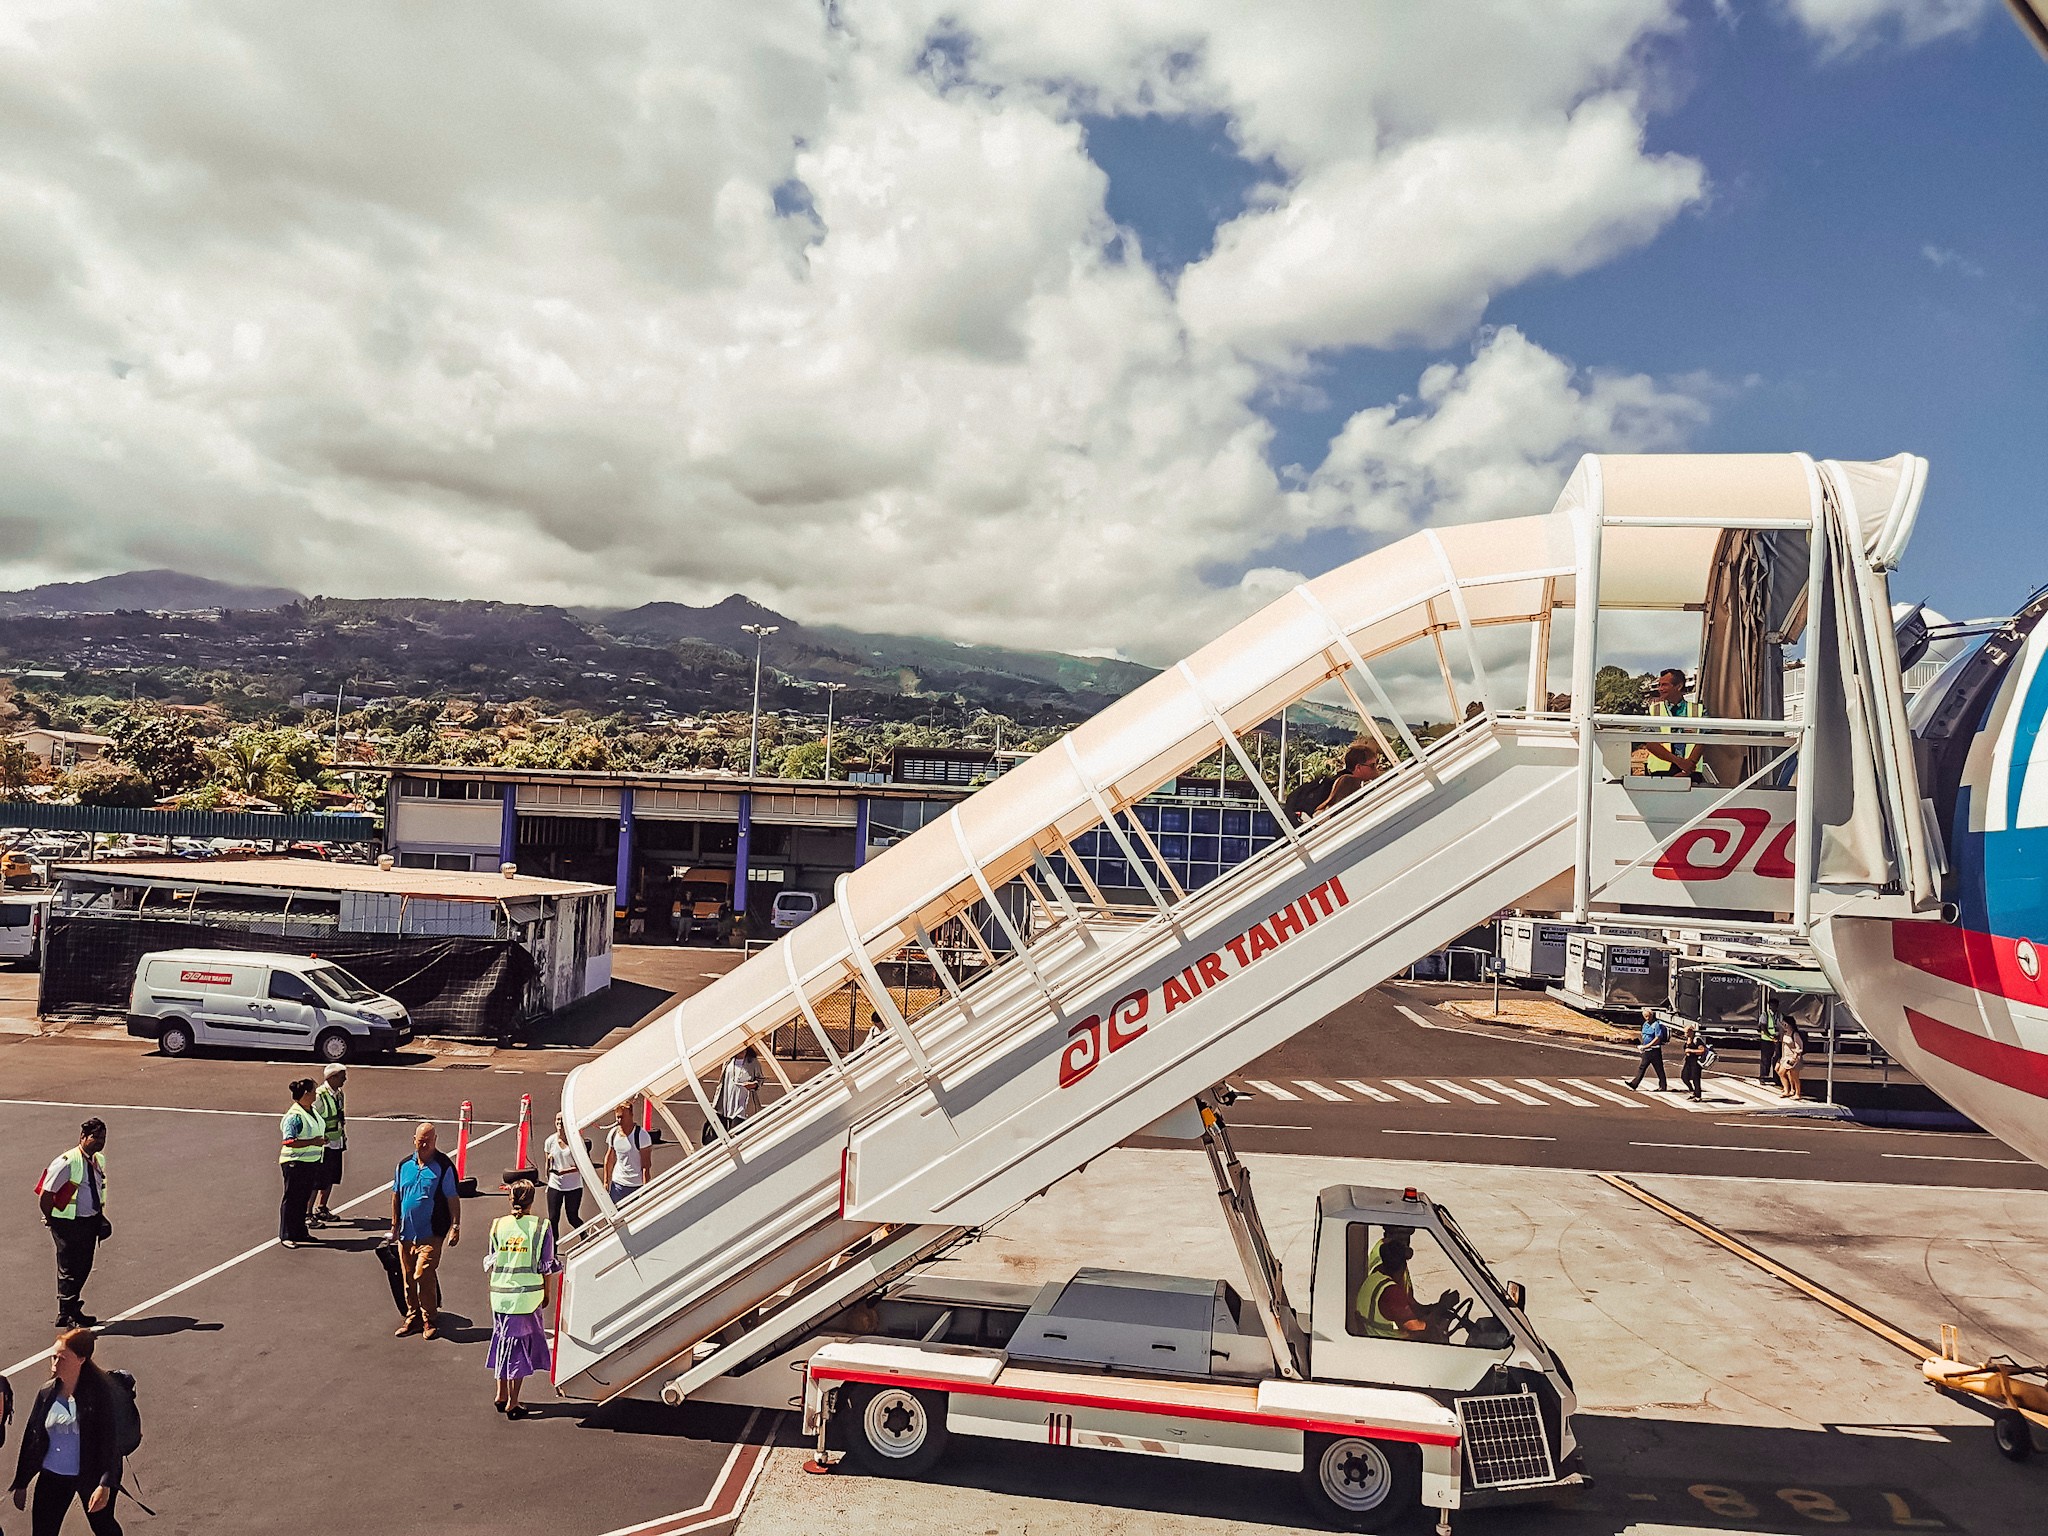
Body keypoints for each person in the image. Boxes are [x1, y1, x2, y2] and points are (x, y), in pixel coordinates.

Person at [9, 1328, 122, 1536]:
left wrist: (105, 1485)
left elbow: (109, 1443)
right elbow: (32, 1437)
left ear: (81, 1359)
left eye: (61, 1358)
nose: (54, 1364)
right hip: (53, 1477)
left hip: (91, 1476)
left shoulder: (98, 1394)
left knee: (104, 1529)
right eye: (53, 1357)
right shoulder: (47, 1392)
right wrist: (22, 1482)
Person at [485, 1182, 561, 1419]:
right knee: (518, 1348)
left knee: (501, 1340)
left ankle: (500, 1393)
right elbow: (546, 1265)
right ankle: (513, 1401)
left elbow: (493, 1259)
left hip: (499, 1295)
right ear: (532, 1201)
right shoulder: (541, 1227)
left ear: (511, 1199)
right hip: (526, 1298)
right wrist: (547, 1293)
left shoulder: (498, 1225)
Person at [389, 1122, 461, 1339]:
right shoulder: (404, 1166)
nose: (424, 1145)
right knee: (408, 1277)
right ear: (414, 1140)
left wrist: (455, 1226)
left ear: (435, 1140)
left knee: (423, 1273)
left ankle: (429, 1317)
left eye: (428, 1141)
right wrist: (394, 1226)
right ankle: (413, 1317)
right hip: (406, 1234)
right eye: (421, 1141)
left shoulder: (444, 1166)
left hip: (431, 1233)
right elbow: (396, 1196)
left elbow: (452, 1198)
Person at [39, 1121, 108, 1330]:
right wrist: (51, 1218)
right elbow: (46, 1194)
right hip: (68, 1222)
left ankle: (73, 1307)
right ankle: (65, 1312)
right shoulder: (67, 1162)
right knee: (69, 1267)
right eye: (96, 1137)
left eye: (103, 1138)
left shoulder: (98, 1160)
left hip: (89, 1220)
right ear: (83, 1136)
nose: (100, 1142)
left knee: (84, 1265)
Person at [1354, 1229, 1450, 1342]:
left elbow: (1411, 1306)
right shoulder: (1391, 1292)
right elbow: (1418, 1328)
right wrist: (1442, 1308)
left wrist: (1435, 1307)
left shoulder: (1374, 1279)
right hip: (1393, 1347)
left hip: (1376, 1339)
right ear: (1403, 1267)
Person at [278, 1079, 326, 1248]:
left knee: (303, 1198)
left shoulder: (311, 1111)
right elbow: (289, 1141)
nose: (316, 1094)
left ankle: (300, 1232)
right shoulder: (294, 1116)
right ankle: (286, 1234)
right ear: (306, 1093)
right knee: (291, 1198)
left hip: (310, 1161)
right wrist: (314, 1141)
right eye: (314, 1090)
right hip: (295, 1162)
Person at [1634, 668, 1701, 778]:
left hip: (1692, 774)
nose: (1660, 689)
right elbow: (1649, 742)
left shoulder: (1698, 710)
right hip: (1660, 772)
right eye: (1659, 685)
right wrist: (1678, 762)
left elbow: (1704, 741)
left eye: (1664, 685)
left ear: (1678, 686)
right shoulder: (1653, 710)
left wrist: (1687, 769)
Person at [309, 1064, 347, 1226]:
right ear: (332, 1077)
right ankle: (307, 1213)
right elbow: (312, 1117)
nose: (345, 1079)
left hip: (336, 1141)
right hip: (324, 1145)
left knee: (330, 1177)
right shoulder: (320, 1096)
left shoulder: (339, 1094)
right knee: (318, 1180)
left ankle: (321, 1208)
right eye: (342, 1076)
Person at [602, 1102, 652, 1204]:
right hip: (618, 1184)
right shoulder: (613, 1134)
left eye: (622, 1117)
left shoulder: (642, 1136)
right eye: (617, 1117)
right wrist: (606, 1181)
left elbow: (646, 1165)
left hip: (636, 1185)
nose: (619, 1121)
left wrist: (646, 1188)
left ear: (631, 1115)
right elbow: (609, 1158)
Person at [541, 1115, 584, 1235]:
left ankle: (585, 1235)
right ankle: (552, 1250)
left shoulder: (576, 1141)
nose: (560, 1122)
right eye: (558, 1120)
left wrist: (564, 1172)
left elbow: (582, 1166)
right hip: (555, 1185)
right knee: (553, 1219)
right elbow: (548, 1164)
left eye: (562, 1120)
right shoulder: (550, 1141)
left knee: (572, 1217)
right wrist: (548, 1180)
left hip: (573, 1186)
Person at [1315, 741, 1384, 815]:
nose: (1376, 768)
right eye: (1372, 765)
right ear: (1358, 768)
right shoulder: (1348, 784)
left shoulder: (1339, 780)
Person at [716, 1046, 762, 1132]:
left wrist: (753, 1085)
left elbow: (760, 1079)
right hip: (728, 1101)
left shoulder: (753, 1062)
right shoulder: (728, 1061)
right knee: (728, 1127)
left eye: (743, 1049)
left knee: (738, 1127)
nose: (741, 1052)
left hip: (743, 1102)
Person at [1626, 1009, 1670, 1091]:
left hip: (1654, 1050)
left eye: (1648, 1016)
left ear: (1652, 1016)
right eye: (1645, 1016)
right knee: (1642, 1067)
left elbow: (1657, 1038)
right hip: (1647, 1050)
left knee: (1659, 1069)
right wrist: (1643, 1046)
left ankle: (1663, 1086)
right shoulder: (1645, 1024)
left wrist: (1646, 1046)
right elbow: (1644, 1036)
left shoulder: (1656, 1024)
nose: (1647, 1018)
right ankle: (1634, 1084)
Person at [1777, 1018, 1807, 1100]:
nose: (1784, 1026)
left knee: (1794, 1076)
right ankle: (1787, 1090)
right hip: (1785, 1056)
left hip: (1793, 1057)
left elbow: (1799, 1047)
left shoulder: (1795, 1034)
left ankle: (1797, 1093)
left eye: (1785, 1024)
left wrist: (1796, 1055)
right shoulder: (1785, 1033)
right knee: (1781, 1072)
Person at [1679, 1023, 1707, 1102]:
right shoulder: (1687, 1039)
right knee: (1684, 1076)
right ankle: (1692, 1090)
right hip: (1688, 1061)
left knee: (1696, 1078)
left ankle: (1698, 1095)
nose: (1685, 1034)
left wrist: (1691, 1051)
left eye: (1686, 1032)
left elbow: (1702, 1050)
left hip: (1696, 1062)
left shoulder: (1697, 1040)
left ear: (1691, 1031)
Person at [1757, 1008, 1781, 1087]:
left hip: (1777, 1039)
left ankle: (1776, 1077)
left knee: (1776, 1059)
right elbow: (1762, 1027)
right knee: (1765, 1059)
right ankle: (1763, 1077)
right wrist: (1770, 1036)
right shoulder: (1765, 1015)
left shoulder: (1780, 1015)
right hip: (1766, 1040)